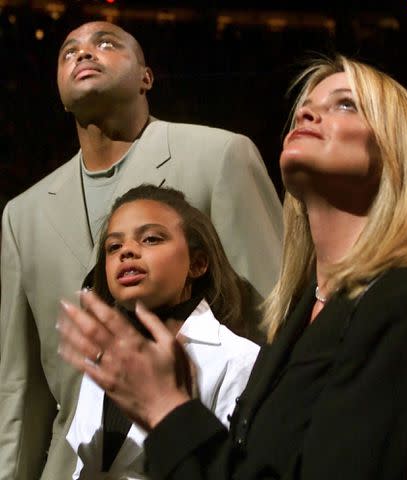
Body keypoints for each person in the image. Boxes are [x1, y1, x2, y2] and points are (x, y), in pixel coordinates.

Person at [59, 55, 407, 479]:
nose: (305, 111)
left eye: (344, 104)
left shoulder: (401, 302)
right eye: (307, 103)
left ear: (397, 147)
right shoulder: (295, 321)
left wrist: (167, 409)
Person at [0, 20, 282, 480]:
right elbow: (20, 386)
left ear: (146, 77)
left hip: (198, 455)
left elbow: (274, 317)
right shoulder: (22, 214)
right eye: (68, 52)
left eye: (105, 44)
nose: (84, 54)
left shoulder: (221, 156)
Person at [64, 184, 260, 479]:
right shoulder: (101, 360)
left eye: (151, 238)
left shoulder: (239, 360)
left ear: (197, 263)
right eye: (113, 247)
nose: (127, 251)